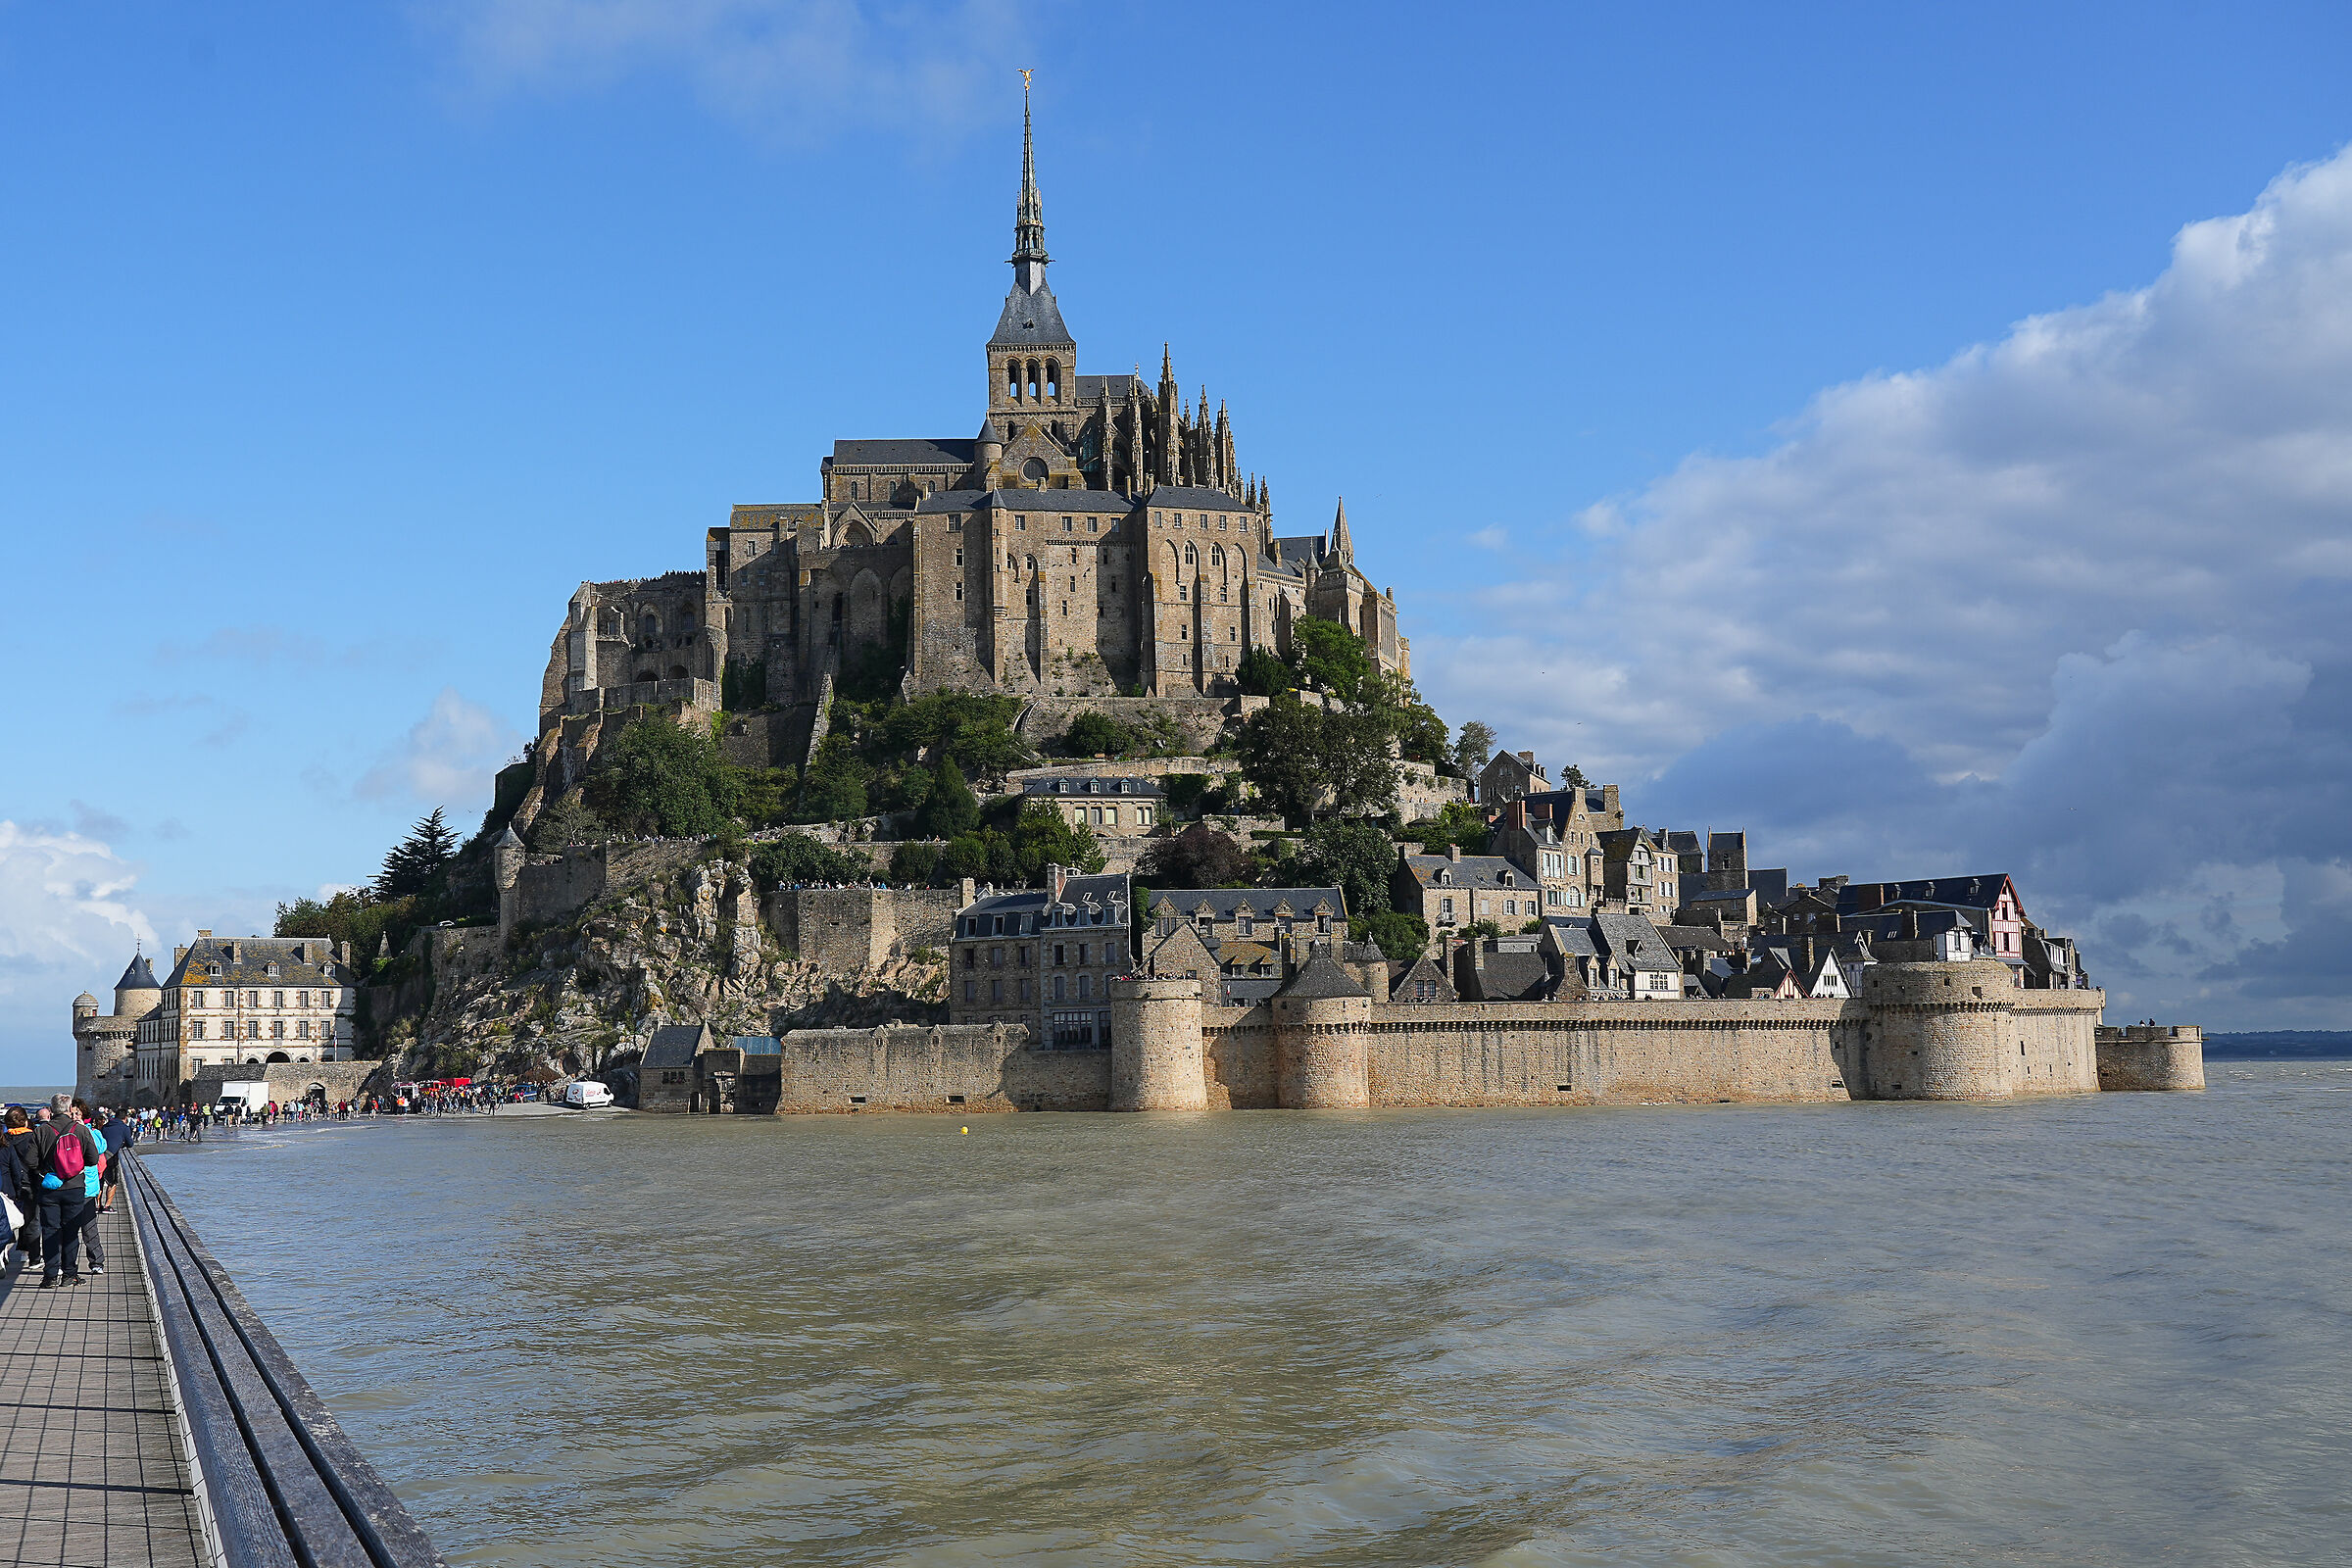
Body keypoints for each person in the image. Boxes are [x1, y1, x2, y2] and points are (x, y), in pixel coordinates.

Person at [2, 1107, 41, 1272]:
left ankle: (4, 1254)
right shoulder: (33, 1137)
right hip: (30, 1182)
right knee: (32, 1221)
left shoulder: (3, 1139)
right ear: (25, 1121)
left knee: (6, 1220)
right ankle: (33, 1257)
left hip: (7, 1185)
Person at [94, 1106, 131, 1214]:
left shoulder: (105, 1126)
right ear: (125, 1118)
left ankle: (98, 1205)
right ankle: (107, 1206)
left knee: (100, 1181)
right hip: (111, 1156)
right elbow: (130, 1144)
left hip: (100, 1156)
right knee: (113, 1182)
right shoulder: (124, 1127)